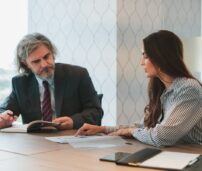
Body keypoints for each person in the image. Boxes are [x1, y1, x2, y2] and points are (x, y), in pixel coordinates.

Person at [76, 30, 202, 147]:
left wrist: (132, 131)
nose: (141, 62)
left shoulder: (189, 89)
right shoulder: (162, 90)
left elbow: (162, 137)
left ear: (161, 57)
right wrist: (102, 129)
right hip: (176, 154)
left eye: (145, 56)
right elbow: (143, 126)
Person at [0, 33, 103, 129]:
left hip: (72, 139)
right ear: (25, 64)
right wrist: (3, 118)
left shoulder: (78, 75)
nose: (44, 64)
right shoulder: (20, 83)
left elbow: (96, 111)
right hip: (36, 143)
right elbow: (6, 110)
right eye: (36, 61)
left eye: (46, 57)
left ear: (52, 53)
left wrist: (73, 121)